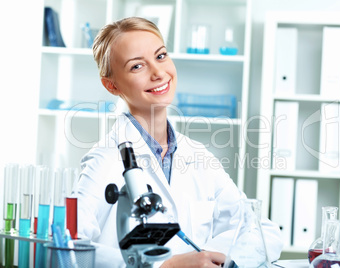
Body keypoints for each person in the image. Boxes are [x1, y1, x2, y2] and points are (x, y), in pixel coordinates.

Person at [74, 16, 283, 267]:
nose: (158, 72)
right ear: (112, 85)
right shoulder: (105, 160)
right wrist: (163, 266)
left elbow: (261, 230)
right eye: (137, 66)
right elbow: (68, 245)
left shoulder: (199, 156)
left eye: (161, 56)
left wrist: (224, 261)